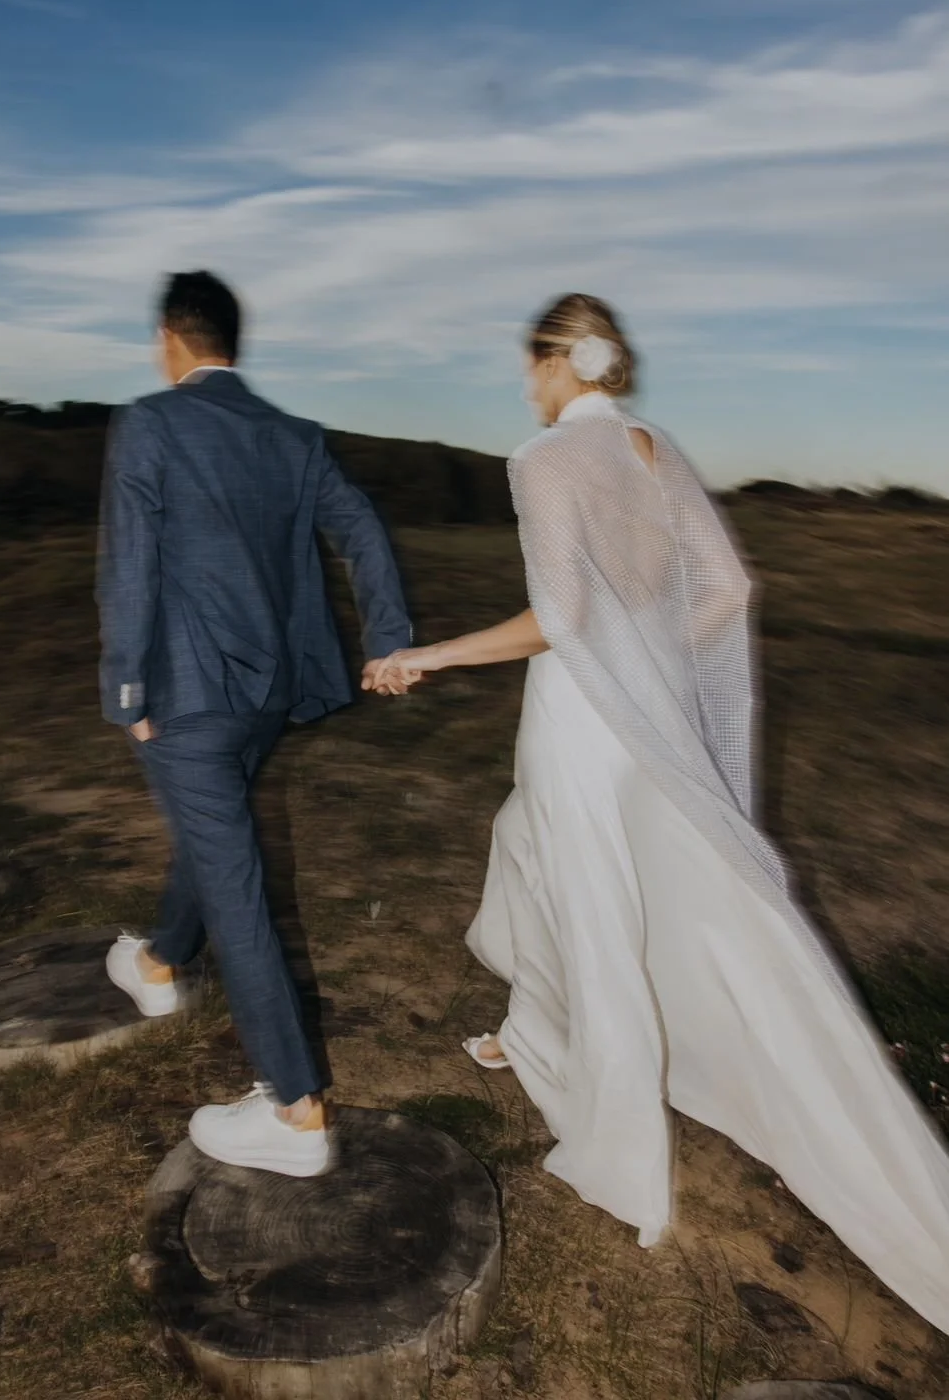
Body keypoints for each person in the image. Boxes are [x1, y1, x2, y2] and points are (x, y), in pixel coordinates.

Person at [372, 293, 949, 1335]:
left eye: (531, 366)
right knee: (528, 851)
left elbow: (559, 618)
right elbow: (725, 586)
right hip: (646, 731)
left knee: (592, 904)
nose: (526, 386)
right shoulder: (649, 447)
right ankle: (528, 1026)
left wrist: (431, 654)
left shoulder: (544, 460)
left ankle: (622, 1155)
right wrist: (656, 671)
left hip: (582, 727)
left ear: (558, 362)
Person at [97, 270, 411, 1176]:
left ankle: (296, 1107)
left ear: (171, 339)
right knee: (216, 835)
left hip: (186, 700)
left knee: (236, 884)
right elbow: (364, 531)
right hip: (269, 697)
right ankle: (157, 965)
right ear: (233, 341)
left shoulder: (151, 423)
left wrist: (129, 696)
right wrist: (386, 636)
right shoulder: (294, 437)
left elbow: (128, 569)